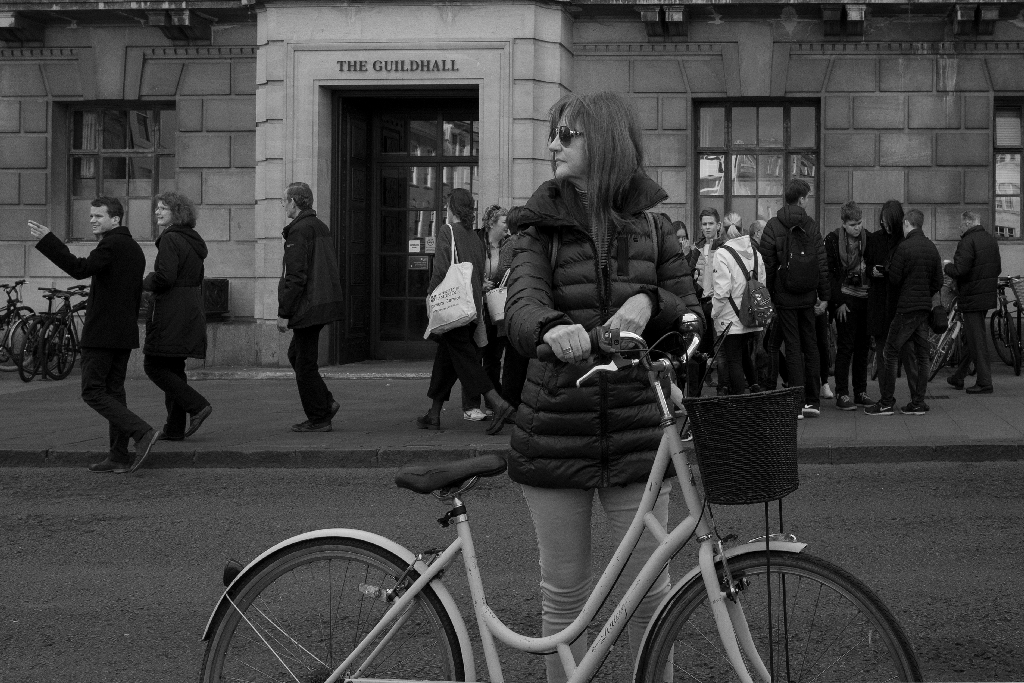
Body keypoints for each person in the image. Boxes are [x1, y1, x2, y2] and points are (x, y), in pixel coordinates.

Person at [504, 91, 703, 683]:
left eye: (567, 135)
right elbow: (521, 306)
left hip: (639, 430)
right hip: (555, 429)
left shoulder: (653, 226)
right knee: (564, 601)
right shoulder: (537, 228)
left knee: (651, 600)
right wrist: (551, 327)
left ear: (606, 142)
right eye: (553, 134)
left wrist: (650, 301)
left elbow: (693, 313)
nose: (553, 145)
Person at [29, 199, 159, 473]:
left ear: (116, 219)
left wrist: (48, 240)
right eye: (90, 215)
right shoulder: (133, 248)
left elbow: (79, 269)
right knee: (113, 392)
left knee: (92, 391)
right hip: (122, 333)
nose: (92, 220)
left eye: (99, 215)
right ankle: (118, 455)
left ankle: (142, 431)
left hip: (102, 333)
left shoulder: (112, 245)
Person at [418, 188, 514, 435]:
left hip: (452, 308)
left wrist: (429, 296)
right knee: (446, 361)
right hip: (471, 308)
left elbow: (440, 270)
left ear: (451, 208)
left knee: (467, 363)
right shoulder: (475, 238)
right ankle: (434, 414)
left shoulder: (447, 231)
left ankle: (498, 403)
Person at [143, 192, 213, 453]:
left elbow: (165, 277)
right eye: (157, 208)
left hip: (171, 308)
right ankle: (174, 428)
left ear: (177, 213)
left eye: (164, 208)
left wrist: (144, 282)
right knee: (173, 366)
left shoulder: (171, 239)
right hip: (190, 307)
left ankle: (197, 405)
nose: (158, 212)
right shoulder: (192, 240)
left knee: (154, 365)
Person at [277, 181, 345, 431]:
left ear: (294, 202)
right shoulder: (318, 225)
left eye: (283, 200)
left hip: (308, 305)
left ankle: (319, 417)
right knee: (297, 355)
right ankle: (325, 402)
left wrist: (284, 312)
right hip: (321, 303)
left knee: (304, 364)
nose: (283, 205)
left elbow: (296, 276)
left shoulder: (299, 230)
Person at [759, 179, 830, 419]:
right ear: (801, 199)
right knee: (811, 346)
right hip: (808, 296)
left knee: (792, 346)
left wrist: (770, 295)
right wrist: (825, 296)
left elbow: (766, 266)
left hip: (784, 296)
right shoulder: (810, 226)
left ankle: (796, 403)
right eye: (807, 198)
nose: (807, 201)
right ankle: (813, 401)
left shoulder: (772, 226)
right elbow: (821, 263)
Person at [865, 209, 943, 416]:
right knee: (922, 356)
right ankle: (918, 403)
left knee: (889, 352)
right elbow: (938, 281)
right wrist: (925, 293)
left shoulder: (904, 247)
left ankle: (886, 402)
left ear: (907, 223)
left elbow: (895, 279)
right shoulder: (931, 247)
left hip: (906, 309)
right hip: (923, 310)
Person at [943, 210, 1002, 394]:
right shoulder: (990, 240)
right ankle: (959, 376)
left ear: (968, 223)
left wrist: (946, 266)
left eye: (961, 224)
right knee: (972, 337)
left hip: (971, 297)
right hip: (986, 296)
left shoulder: (967, 241)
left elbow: (960, 270)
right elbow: (997, 268)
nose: (960, 228)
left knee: (976, 339)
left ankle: (985, 382)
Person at [825, 201, 873, 410]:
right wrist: (839, 303)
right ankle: (842, 393)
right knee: (845, 347)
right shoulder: (833, 240)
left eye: (860, 223)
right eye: (853, 224)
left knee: (863, 347)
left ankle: (860, 391)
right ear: (844, 223)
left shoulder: (868, 239)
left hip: (865, 298)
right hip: (845, 299)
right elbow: (830, 275)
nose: (857, 228)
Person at [711, 223, 766, 394]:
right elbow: (762, 285)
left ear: (723, 234)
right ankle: (755, 389)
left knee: (733, 360)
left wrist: (714, 314)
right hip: (752, 316)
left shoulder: (721, 254)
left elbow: (722, 291)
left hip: (730, 317)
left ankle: (739, 402)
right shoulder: (755, 254)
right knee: (743, 354)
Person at [494, 205, 530, 408]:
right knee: (516, 357)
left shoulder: (514, 243)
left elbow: (502, 272)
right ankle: (510, 400)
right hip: (516, 304)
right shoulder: (515, 243)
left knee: (517, 357)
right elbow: (503, 274)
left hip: (517, 305)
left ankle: (512, 399)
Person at [865, 200, 905, 378]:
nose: (886, 226)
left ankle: (890, 387)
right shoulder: (875, 239)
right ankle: (885, 393)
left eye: (889, 222)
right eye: (883, 222)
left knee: (896, 348)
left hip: (897, 301)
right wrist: (872, 270)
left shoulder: (904, 242)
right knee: (882, 346)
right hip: (879, 300)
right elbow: (866, 265)